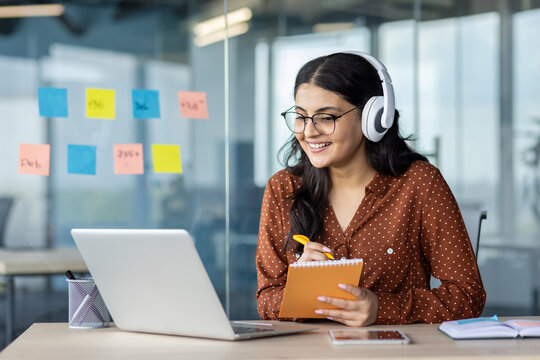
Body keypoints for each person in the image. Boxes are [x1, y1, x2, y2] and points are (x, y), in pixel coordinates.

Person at [255, 52, 486, 326]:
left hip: (394, 352)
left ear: (373, 117)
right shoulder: (284, 187)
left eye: (326, 117)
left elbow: (467, 296)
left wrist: (381, 308)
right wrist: (301, 292)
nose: (308, 131)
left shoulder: (419, 184)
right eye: (301, 117)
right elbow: (266, 299)